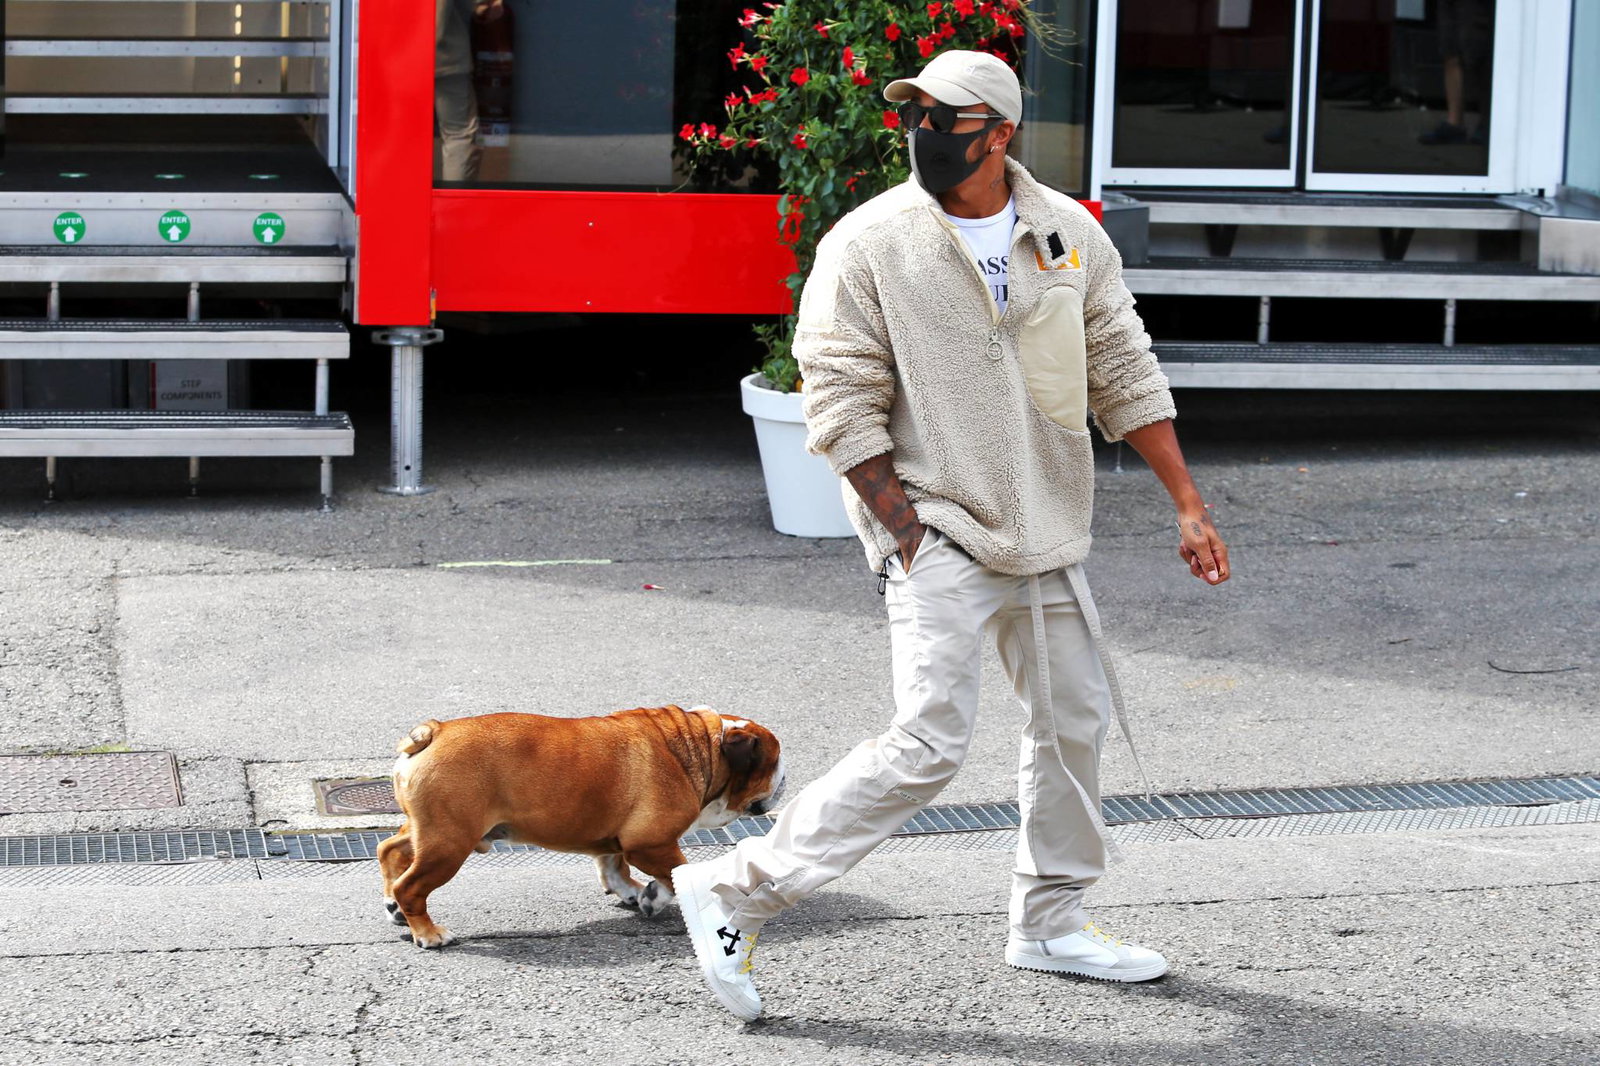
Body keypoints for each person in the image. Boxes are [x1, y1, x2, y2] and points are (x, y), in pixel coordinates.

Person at [673, 49, 1230, 1022]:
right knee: (929, 740)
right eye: (914, 113)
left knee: (1072, 724)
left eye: (945, 116)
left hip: (1046, 528)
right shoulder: (869, 242)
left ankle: (1049, 922)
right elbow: (837, 399)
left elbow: (1121, 369)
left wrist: (1186, 501)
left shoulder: (1067, 235)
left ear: (1000, 133)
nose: (921, 130)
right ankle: (732, 888)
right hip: (935, 525)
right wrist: (906, 532)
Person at [435, 0, 503, 182]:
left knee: (396, 135)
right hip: (444, 56)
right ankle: (454, 204)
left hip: (391, 54)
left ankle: (395, 204)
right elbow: (488, 7)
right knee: (457, 135)